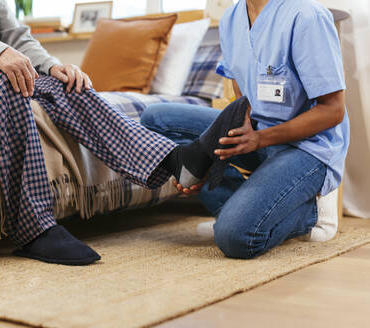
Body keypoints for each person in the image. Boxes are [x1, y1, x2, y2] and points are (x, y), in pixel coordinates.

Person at [0, 0, 217, 266]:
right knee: (12, 85)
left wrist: (50, 65)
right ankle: (34, 228)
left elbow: (12, 32)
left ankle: (174, 159)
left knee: (69, 86)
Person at [141, 0, 349, 259]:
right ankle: (243, 209)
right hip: (258, 135)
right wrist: (207, 159)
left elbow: (333, 110)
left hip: (307, 148)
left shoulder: (307, 16)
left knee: (235, 238)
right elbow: (244, 97)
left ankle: (311, 214)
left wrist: (260, 139)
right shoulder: (231, 19)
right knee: (155, 119)